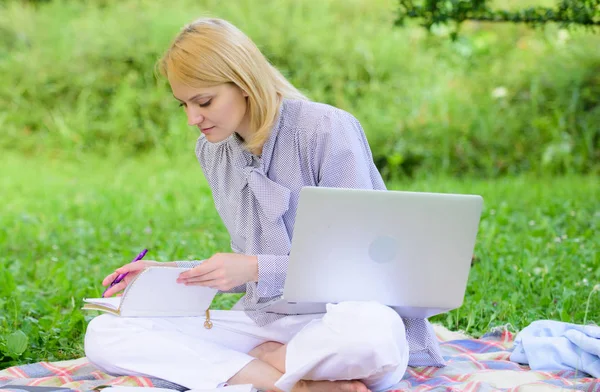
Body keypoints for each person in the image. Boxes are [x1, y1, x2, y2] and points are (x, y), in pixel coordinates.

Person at [84, 18, 444, 392]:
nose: (193, 118)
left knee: (373, 337)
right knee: (105, 332)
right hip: (264, 324)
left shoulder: (326, 129)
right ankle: (292, 384)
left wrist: (256, 268)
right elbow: (242, 268)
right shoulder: (212, 151)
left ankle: (261, 366)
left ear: (244, 83)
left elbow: (363, 266)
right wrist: (166, 273)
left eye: (204, 101)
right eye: (184, 105)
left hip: (339, 322)